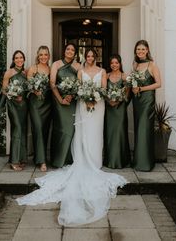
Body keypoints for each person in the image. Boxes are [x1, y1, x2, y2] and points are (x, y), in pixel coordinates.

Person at [16, 48, 127, 226]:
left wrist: (95, 97)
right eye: (88, 55)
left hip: (98, 106)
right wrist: (86, 97)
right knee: (83, 134)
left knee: (96, 133)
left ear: (95, 57)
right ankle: (81, 158)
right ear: (85, 57)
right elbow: (78, 89)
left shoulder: (102, 71)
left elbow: (104, 89)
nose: (90, 57)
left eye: (92, 56)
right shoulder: (79, 71)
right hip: (83, 105)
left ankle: (95, 161)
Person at [131, 40, 161, 171]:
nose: (140, 51)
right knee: (138, 128)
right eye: (138, 49)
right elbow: (134, 82)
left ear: (147, 50)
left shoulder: (152, 64)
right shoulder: (135, 65)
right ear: (135, 51)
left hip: (147, 100)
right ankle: (138, 160)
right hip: (137, 100)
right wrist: (133, 88)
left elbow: (158, 84)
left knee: (144, 128)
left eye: (143, 49)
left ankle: (146, 163)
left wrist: (142, 89)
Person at [50, 43, 80, 167]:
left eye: (72, 50)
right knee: (61, 128)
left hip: (72, 102)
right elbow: (52, 83)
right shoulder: (56, 64)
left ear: (75, 53)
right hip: (58, 102)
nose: (70, 51)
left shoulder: (78, 66)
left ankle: (69, 159)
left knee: (71, 129)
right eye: (68, 49)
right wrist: (60, 99)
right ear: (64, 50)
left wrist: (71, 95)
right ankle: (58, 159)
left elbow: (79, 83)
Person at [2, 50, 28, 171]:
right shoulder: (9, 72)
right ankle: (14, 161)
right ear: (13, 60)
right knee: (17, 128)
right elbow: (4, 90)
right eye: (16, 58)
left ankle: (21, 158)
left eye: (21, 57)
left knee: (22, 129)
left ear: (24, 59)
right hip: (12, 105)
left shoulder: (26, 73)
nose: (19, 60)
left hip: (23, 105)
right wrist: (13, 94)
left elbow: (28, 88)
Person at [27, 46, 52, 172]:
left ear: (49, 56)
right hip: (35, 103)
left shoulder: (51, 69)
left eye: (45, 54)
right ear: (38, 55)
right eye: (41, 54)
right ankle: (42, 161)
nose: (43, 57)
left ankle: (39, 157)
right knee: (37, 129)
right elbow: (28, 86)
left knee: (45, 130)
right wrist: (34, 90)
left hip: (47, 103)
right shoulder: (33, 68)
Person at [104, 54, 131, 168]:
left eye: (116, 63)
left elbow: (127, 94)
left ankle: (121, 160)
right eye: (112, 63)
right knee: (109, 133)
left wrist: (118, 101)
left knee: (120, 132)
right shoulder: (106, 75)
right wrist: (108, 100)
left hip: (120, 109)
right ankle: (110, 160)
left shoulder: (125, 77)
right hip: (109, 109)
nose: (114, 65)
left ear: (120, 63)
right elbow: (103, 90)